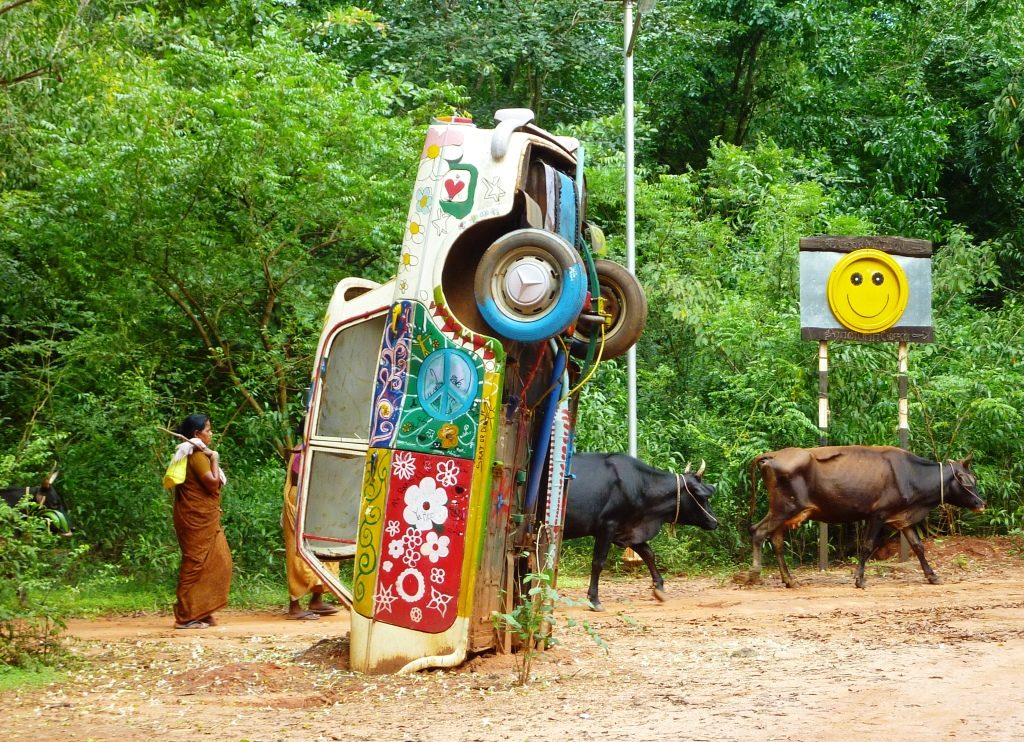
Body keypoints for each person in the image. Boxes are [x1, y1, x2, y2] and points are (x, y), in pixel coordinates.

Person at [170, 413, 232, 629]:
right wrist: (214, 459)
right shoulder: (196, 456)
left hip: (205, 516)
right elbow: (213, 485)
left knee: (218, 560)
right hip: (195, 517)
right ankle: (185, 616)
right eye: (208, 430)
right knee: (195, 561)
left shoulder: (198, 453)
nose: (211, 433)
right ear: (196, 434)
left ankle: (202, 610)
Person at [282, 424, 338, 620]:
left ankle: (317, 599)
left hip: (316, 501)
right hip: (300, 500)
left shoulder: (316, 448)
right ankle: (295, 605)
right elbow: (301, 476)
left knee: (323, 547)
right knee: (298, 552)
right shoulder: (301, 451)